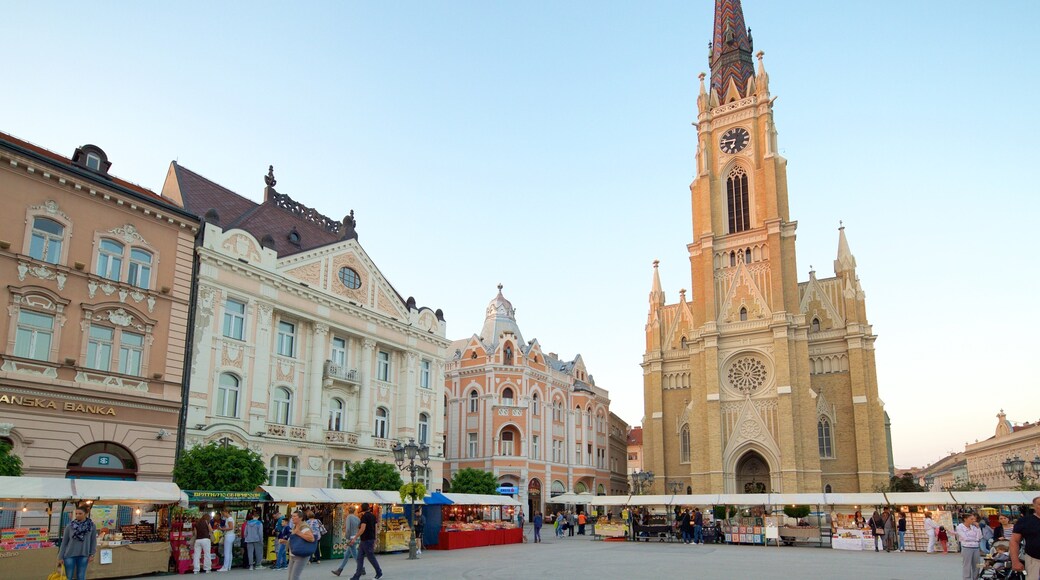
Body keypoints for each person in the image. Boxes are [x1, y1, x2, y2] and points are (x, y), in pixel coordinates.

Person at [58, 506, 97, 580]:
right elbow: (64, 542)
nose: (77, 515)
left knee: (81, 576)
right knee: (69, 576)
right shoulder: (70, 526)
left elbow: (93, 541)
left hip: (84, 554)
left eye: (80, 513)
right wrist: (60, 556)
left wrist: (92, 554)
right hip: (69, 555)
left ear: (86, 514)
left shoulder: (91, 526)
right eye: (76, 514)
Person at [348, 503, 382, 580]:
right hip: (369, 539)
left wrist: (355, 538)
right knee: (360, 557)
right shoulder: (373, 516)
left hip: (365, 540)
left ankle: (379, 572)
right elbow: (376, 527)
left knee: (369, 557)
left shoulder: (364, 517)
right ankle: (357, 576)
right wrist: (375, 538)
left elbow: (362, 528)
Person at [1010, 495, 1040, 580]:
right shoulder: (1025, 521)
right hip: (1033, 559)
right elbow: (1014, 541)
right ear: (1034, 506)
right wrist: (1015, 561)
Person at [332, 505, 361, 577]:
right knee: (347, 555)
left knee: (354, 554)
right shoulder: (357, 518)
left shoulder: (349, 517)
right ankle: (339, 570)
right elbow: (359, 527)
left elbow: (348, 529)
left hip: (350, 537)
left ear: (348, 511)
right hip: (355, 536)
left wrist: (347, 537)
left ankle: (361, 567)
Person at [287, 510, 315, 580]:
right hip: (293, 554)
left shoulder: (304, 527)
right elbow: (296, 540)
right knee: (290, 577)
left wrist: (299, 533)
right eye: (292, 516)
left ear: (300, 518)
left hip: (301, 555)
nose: (292, 518)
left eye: (294, 516)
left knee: (294, 577)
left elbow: (311, 539)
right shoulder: (295, 526)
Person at [956, 513, 982, 580]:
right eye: (971, 519)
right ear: (965, 519)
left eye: (974, 519)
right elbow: (965, 538)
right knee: (967, 565)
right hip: (966, 547)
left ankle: (975, 578)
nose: (973, 520)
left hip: (976, 547)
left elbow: (979, 537)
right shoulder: (960, 527)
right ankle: (966, 578)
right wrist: (974, 539)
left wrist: (978, 528)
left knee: (977, 565)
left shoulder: (974, 527)